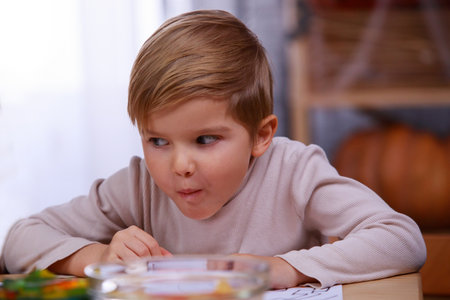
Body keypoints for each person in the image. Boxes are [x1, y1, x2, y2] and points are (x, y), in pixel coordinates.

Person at [0, 10, 426, 289]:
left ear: (261, 135)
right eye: (158, 141)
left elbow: (402, 240)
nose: (179, 165)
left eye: (205, 140)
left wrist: (279, 268)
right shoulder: (139, 184)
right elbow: (20, 239)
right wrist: (98, 256)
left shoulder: (294, 171)